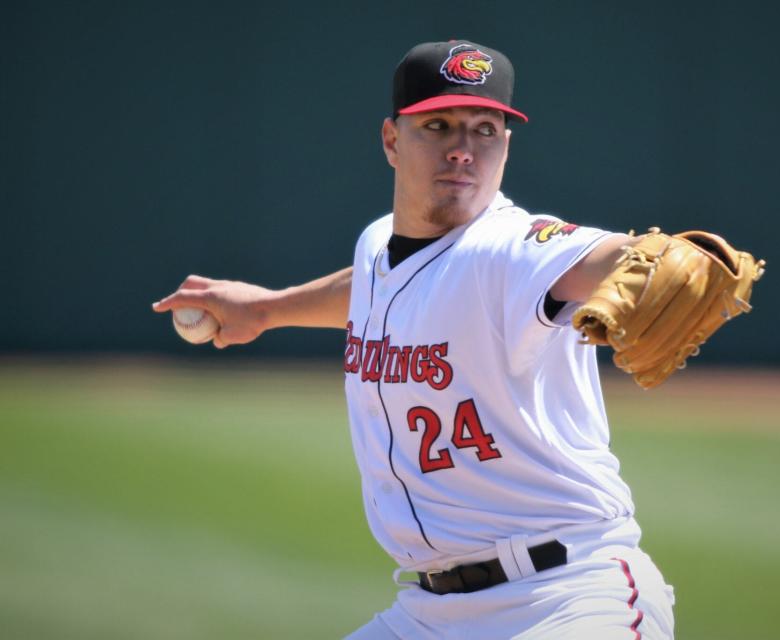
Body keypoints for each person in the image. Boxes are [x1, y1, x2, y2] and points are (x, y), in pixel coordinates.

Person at [154, 40, 676, 639]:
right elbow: (375, 286)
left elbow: (607, 257)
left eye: (486, 129)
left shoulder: (515, 248)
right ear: (391, 140)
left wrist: (657, 260)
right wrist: (267, 310)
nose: (463, 148)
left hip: (568, 597)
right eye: (439, 125)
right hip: (430, 613)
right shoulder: (379, 245)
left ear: (506, 145)